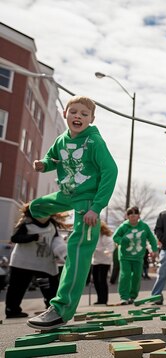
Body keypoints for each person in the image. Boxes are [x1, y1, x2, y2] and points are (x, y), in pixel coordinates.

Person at [26, 95, 118, 330]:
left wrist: (96, 208)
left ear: (91, 119)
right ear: (65, 113)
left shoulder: (94, 142)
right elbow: (52, 158)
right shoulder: (61, 140)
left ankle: (60, 309)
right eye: (74, 112)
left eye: (84, 114)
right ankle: (44, 229)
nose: (78, 116)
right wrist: (44, 165)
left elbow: (110, 171)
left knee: (77, 252)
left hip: (86, 201)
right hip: (66, 194)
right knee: (35, 207)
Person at [6, 204, 69, 319]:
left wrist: (62, 252)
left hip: (44, 263)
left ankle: (53, 308)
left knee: (50, 287)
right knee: (17, 287)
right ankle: (12, 310)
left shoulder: (51, 225)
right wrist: (32, 237)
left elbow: (56, 240)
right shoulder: (26, 223)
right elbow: (15, 238)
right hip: (23, 262)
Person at [113, 207, 158, 305]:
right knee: (126, 275)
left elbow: (151, 238)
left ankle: (132, 296)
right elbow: (115, 236)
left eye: (135, 214)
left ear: (138, 216)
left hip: (138, 256)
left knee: (137, 276)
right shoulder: (123, 227)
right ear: (127, 216)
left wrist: (154, 249)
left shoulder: (144, 226)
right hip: (125, 256)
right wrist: (121, 242)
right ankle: (124, 297)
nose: (133, 216)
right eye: (130, 214)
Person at [90, 222, 115, 305]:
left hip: (104, 261)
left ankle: (104, 299)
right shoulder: (93, 236)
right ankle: (99, 299)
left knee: (102, 280)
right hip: (96, 261)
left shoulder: (105, 236)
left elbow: (110, 247)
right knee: (96, 280)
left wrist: (105, 251)